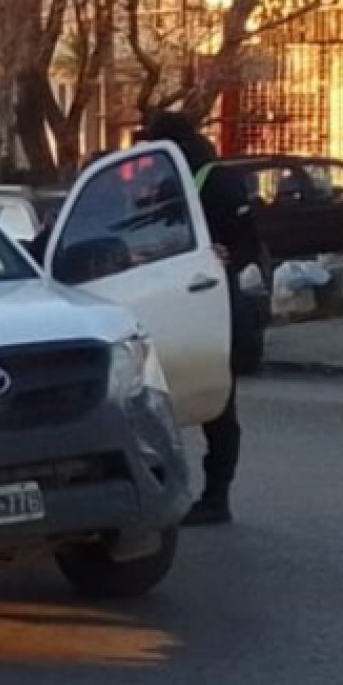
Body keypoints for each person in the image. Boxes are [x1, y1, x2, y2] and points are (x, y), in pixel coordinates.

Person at [139, 110, 265, 527]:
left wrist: (227, 255)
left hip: (209, 307)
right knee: (206, 405)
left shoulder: (214, 180)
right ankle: (206, 494)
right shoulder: (168, 181)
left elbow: (248, 241)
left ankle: (213, 497)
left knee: (212, 406)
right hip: (184, 305)